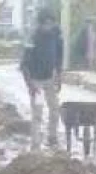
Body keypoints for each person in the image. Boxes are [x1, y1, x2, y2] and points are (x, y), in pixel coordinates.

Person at [21, 8, 64, 151]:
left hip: (50, 79)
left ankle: (52, 138)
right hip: (36, 82)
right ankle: (35, 145)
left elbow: (59, 58)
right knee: (38, 113)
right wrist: (30, 85)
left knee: (55, 109)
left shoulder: (56, 36)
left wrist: (59, 77)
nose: (48, 26)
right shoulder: (33, 38)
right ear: (40, 24)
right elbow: (24, 65)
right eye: (46, 23)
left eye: (51, 23)